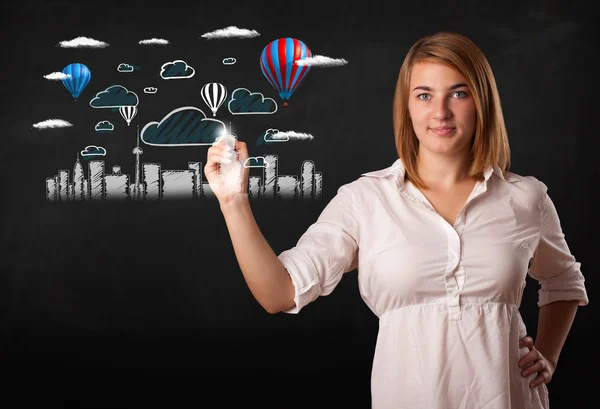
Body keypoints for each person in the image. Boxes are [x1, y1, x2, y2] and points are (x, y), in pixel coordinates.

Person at [204, 31, 589, 409]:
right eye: (424, 95)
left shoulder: (526, 197)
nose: (441, 112)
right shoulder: (364, 199)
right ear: (407, 106)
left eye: (459, 93)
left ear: (482, 101)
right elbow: (278, 293)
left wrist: (548, 355)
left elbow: (564, 281)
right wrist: (233, 201)